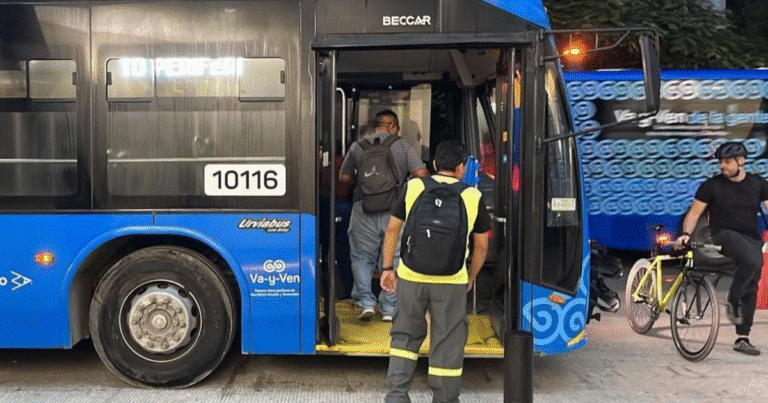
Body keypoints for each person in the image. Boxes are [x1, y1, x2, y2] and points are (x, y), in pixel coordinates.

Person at [379, 141, 491, 403]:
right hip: (451, 281)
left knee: (405, 336)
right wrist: (470, 276)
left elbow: (393, 229)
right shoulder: (472, 196)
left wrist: (387, 268)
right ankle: (445, 398)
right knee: (448, 341)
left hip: (411, 277)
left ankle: (396, 396)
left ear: (434, 166)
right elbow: (482, 244)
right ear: (462, 168)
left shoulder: (414, 186)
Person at [676, 141, 767, 356]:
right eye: (720, 162)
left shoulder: (758, 184)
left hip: (749, 239)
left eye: (727, 162)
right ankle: (732, 298)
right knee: (756, 262)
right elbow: (694, 214)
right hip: (721, 236)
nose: (722, 166)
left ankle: (742, 338)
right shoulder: (711, 185)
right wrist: (686, 234)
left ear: (741, 161)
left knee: (752, 281)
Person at [340, 110, 428, 321]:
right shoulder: (402, 145)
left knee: (361, 258)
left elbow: (343, 177)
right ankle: (389, 309)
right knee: (394, 259)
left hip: (363, 209)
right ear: (392, 126)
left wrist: (361, 182)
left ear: (375, 126)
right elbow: (421, 174)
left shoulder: (357, 147)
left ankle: (366, 303)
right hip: (394, 211)